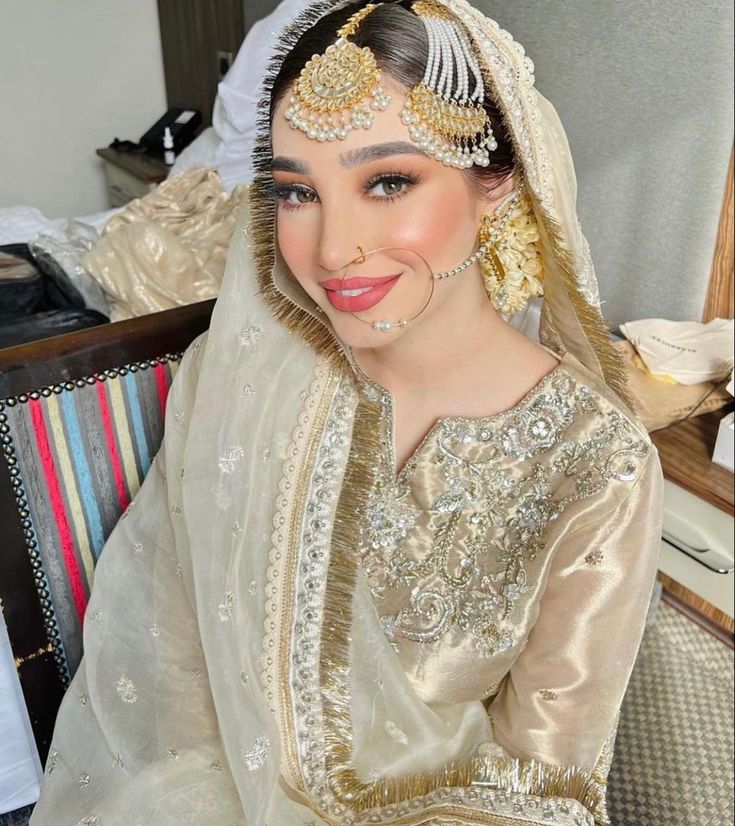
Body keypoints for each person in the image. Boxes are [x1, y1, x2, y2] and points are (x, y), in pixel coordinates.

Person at [29, 1, 664, 824]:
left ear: (496, 183)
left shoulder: (595, 463)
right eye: (297, 192)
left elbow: (548, 786)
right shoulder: (241, 381)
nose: (332, 250)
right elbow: (170, 674)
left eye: (387, 181)